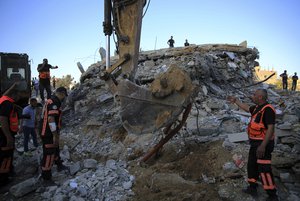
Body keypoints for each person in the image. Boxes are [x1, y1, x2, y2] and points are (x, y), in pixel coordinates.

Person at [227, 89, 278, 201]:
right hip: (255, 143)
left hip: (263, 144)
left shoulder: (268, 109)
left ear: (260, 97)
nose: (252, 96)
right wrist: (236, 101)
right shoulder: (256, 108)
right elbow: (246, 107)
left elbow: (271, 128)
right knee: (252, 166)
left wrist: (263, 146)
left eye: (254, 95)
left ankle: (272, 195)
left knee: (264, 168)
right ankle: (252, 187)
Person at [0, 82, 27, 187]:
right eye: (18, 95)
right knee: (5, 157)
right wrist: (8, 137)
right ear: (14, 95)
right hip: (4, 135)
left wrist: (13, 86)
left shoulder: (3, 100)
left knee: (6, 156)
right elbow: (3, 119)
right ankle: (3, 180)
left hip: (4, 134)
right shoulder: (7, 104)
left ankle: (7, 173)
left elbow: (6, 94)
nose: (19, 98)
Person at [40, 87, 68, 181]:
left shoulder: (50, 100)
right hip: (48, 133)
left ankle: (58, 164)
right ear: (62, 93)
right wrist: (55, 135)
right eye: (64, 96)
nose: (64, 98)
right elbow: (51, 119)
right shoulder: (54, 102)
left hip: (47, 131)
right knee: (49, 154)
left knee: (55, 149)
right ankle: (46, 178)